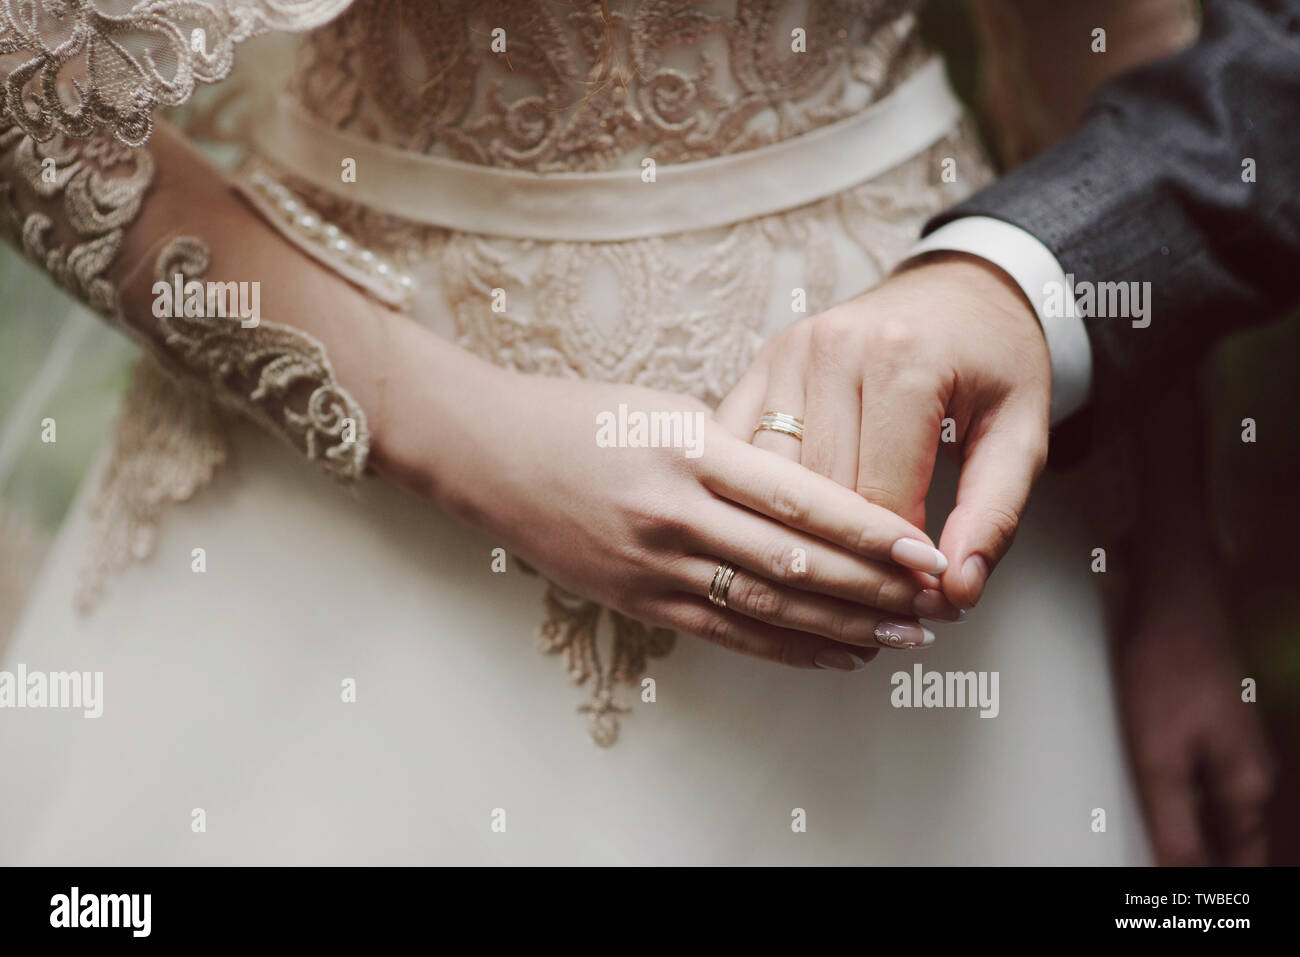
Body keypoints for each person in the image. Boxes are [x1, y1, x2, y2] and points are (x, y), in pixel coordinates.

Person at [0, 0, 1200, 864]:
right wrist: (471, 448)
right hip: (343, 514)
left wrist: (1174, 588)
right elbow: (28, 92)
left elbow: (1110, 57)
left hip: (913, 496)